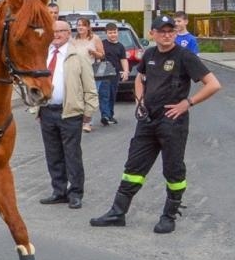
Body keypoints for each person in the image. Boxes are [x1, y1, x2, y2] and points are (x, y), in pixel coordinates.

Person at [90, 13, 223, 233]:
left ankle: (169, 215)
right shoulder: (149, 54)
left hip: (173, 122)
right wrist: (139, 101)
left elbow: (213, 84)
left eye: (170, 31)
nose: (167, 35)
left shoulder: (184, 56)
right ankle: (117, 212)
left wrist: (187, 103)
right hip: (148, 120)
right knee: (133, 167)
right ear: (152, 34)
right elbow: (140, 79)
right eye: (162, 31)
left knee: (173, 169)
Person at [38, 18, 94, 208]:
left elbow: (89, 85)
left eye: (60, 31)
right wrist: (36, 107)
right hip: (47, 111)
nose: (56, 35)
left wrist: (88, 112)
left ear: (68, 33)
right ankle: (59, 190)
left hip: (70, 112)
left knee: (72, 154)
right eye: (53, 31)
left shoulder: (78, 55)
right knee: (53, 154)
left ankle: (76, 192)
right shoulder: (43, 54)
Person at [69, 17, 103, 131]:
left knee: (90, 95)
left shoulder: (95, 39)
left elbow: (102, 55)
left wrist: (93, 52)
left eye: (83, 25)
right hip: (76, 71)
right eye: (78, 25)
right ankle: (79, 121)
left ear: (88, 27)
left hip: (90, 70)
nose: (80, 27)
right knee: (79, 96)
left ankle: (88, 122)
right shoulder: (73, 40)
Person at [96, 21, 129, 125]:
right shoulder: (103, 44)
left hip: (115, 74)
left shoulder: (120, 46)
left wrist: (126, 71)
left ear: (117, 32)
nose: (113, 35)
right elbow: (98, 57)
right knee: (104, 94)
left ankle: (110, 115)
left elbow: (123, 60)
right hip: (103, 74)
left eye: (114, 32)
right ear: (106, 33)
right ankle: (105, 116)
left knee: (112, 95)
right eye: (110, 33)